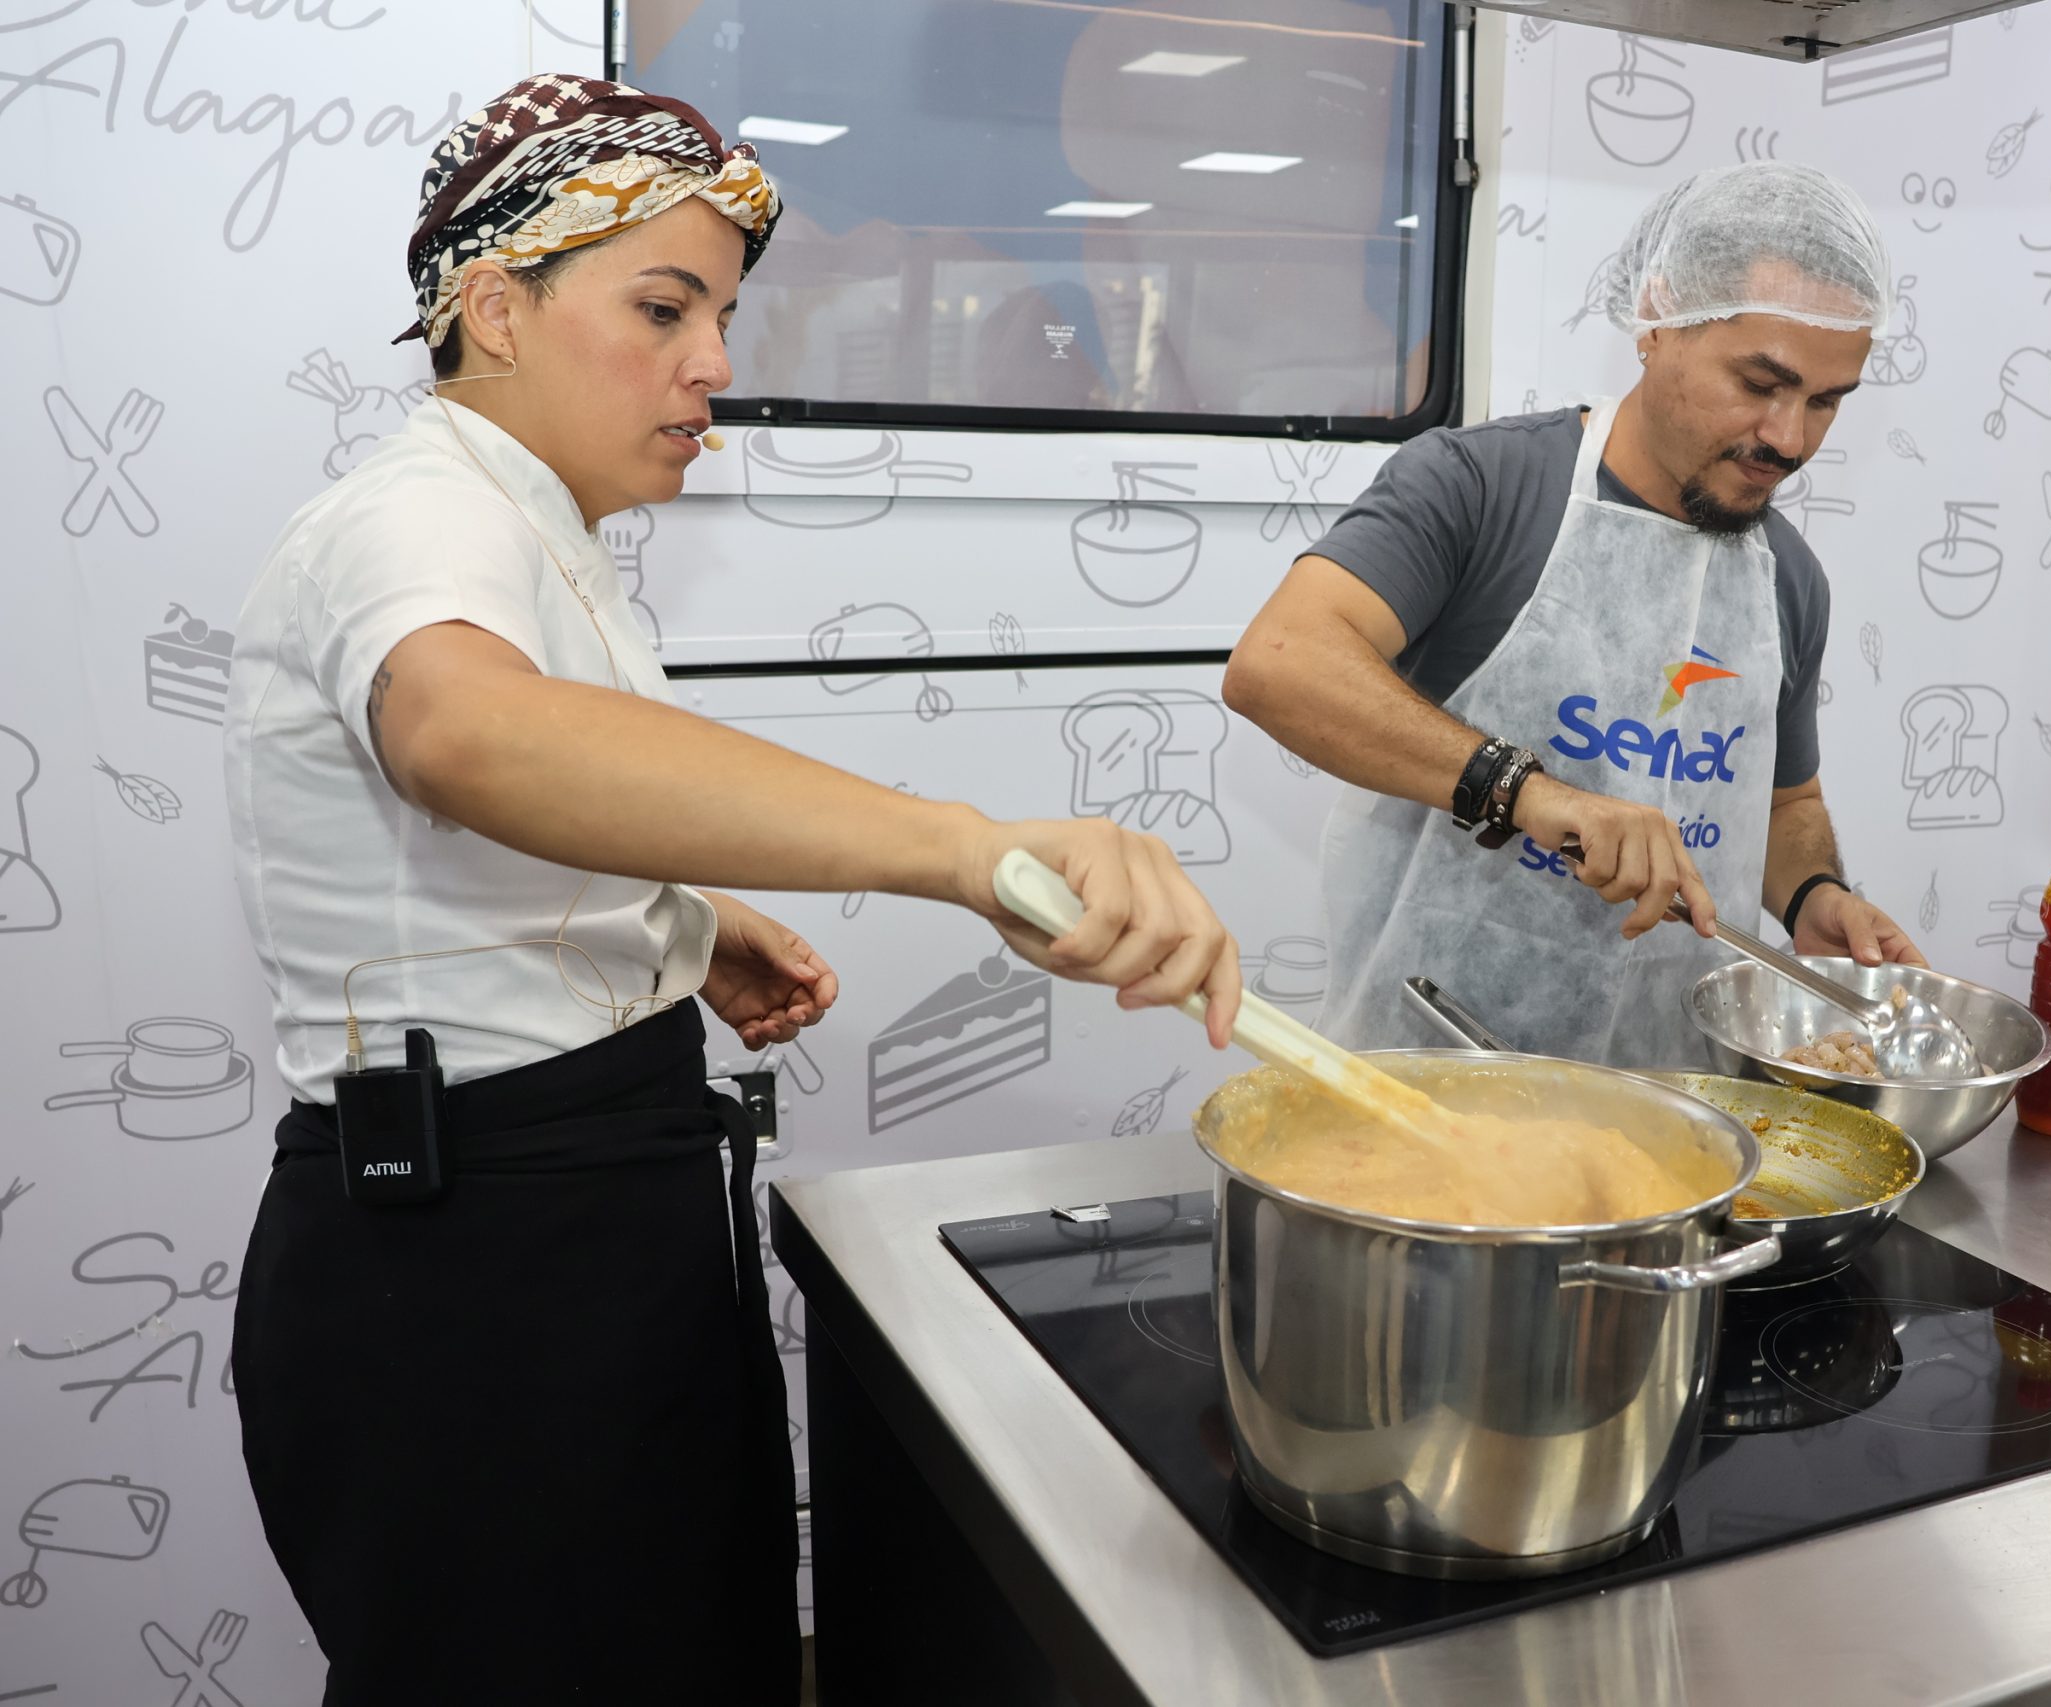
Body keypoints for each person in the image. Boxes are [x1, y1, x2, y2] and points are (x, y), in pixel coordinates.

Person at [222, 76, 1242, 1707]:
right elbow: (466, 735)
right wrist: (965, 848)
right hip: (474, 1265)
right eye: (664, 306)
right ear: (495, 307)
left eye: (725, 314)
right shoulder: (413, 510)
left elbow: (497, 835)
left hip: (594, 1200)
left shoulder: (538, 532)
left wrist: (682, 928)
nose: (717, 364)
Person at [1224, 163, 1923, 1069]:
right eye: (1760, 383)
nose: (1790, 440)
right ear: (1658, 322)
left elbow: (1785, 801)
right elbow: (1279, 661)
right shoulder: (1479, 487)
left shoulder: (1787, 577)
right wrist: (1531, 794)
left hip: (1675, 1115)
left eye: (1825, 401)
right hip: (1427, 1092)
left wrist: (1812, 892)